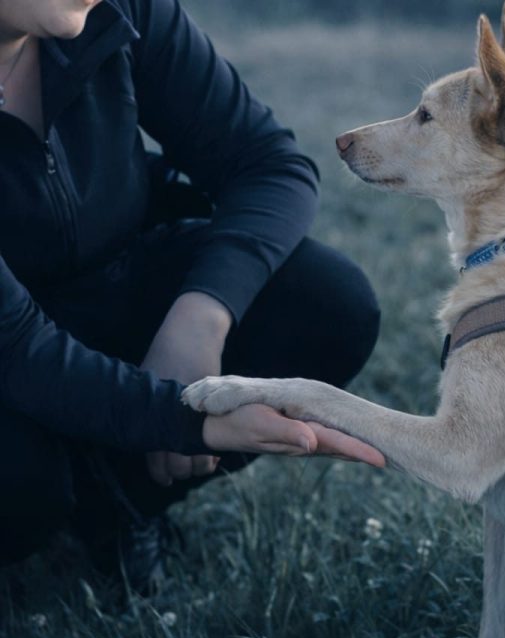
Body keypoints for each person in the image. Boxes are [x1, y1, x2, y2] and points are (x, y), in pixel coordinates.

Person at [0, 0, 382, 591]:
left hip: (113, 287)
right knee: (19, 481)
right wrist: (185, 420)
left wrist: (201, 318)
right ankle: (55, 496)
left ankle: (118, 506)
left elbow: (267, 161)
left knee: (328, 303)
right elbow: (15, 345)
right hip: (12, 354)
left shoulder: (120, 10)